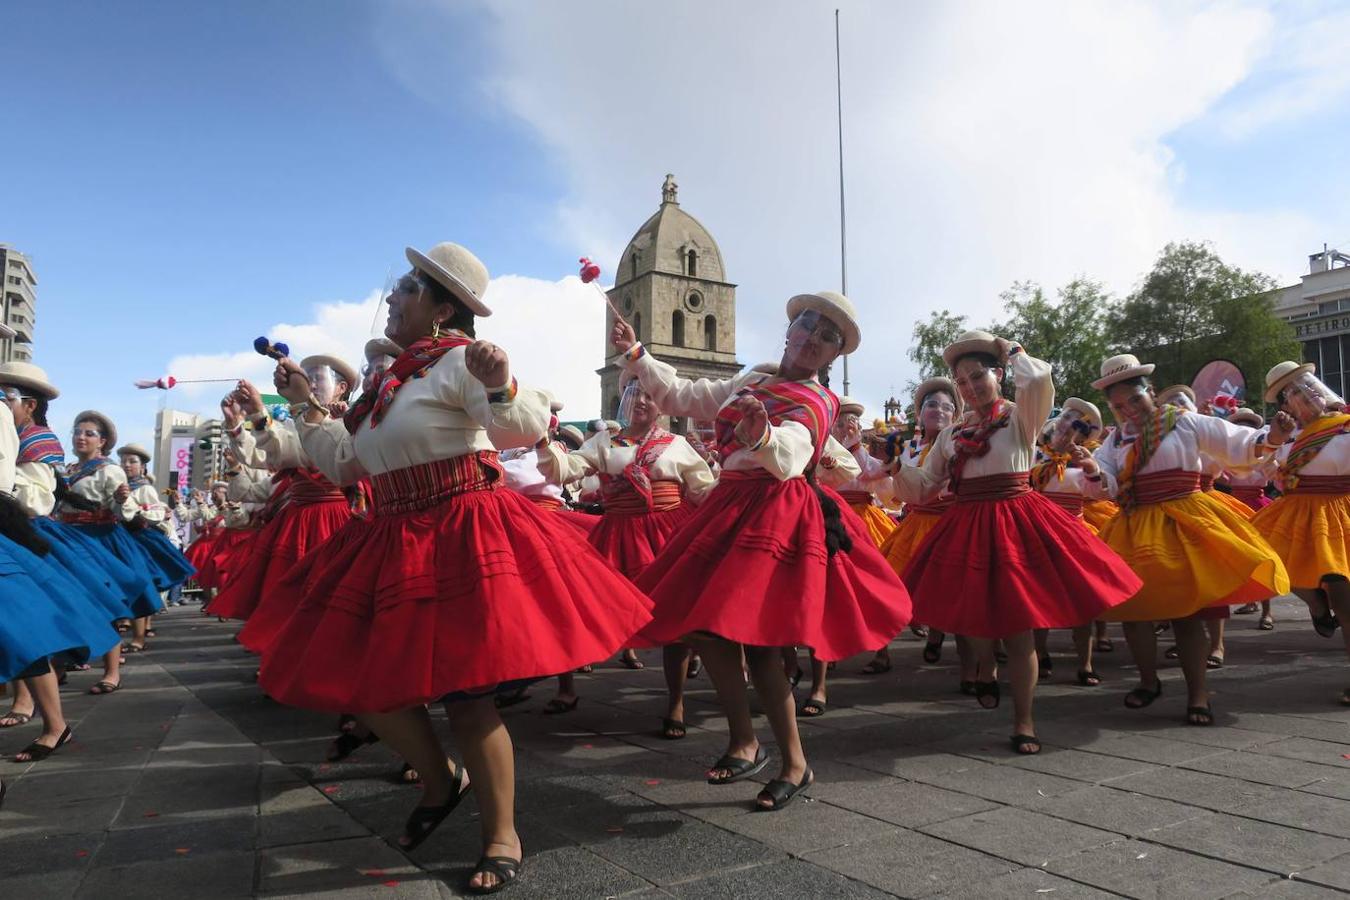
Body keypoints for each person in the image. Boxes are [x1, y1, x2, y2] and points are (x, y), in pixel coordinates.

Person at [258, 242, 652, 893]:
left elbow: (521, 428)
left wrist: (502, 383)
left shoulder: (457, 363)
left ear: (443, 308)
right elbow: (349, 465)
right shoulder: (391, 382)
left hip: (461, 529)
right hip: (390, 534)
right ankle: (442, 780)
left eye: (405, 290)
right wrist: (304, 406)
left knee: (468, 696)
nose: (390, 299)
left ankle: (502, 834)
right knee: (369, 686)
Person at [610, 289, 913, 808]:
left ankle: (794, 762)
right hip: (730, 504)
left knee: (761, 643)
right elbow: (686, 395)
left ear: (835, 355)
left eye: (828, 338)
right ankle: (745, 740)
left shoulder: (820, 401)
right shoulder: (753, 378)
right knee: (705, 627)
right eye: (810, 327)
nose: (814, 340)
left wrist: (760, 436)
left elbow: (791, 456)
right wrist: (639, 356)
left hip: (775, 510)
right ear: (790, 330)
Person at [895, 332, 1140, 754]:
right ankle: (985, 670)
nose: (970, 386)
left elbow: (1040, 381)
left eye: (978, 376)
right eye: (962, 381)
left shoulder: (1020, 416)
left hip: (1013, 519)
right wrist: (892, 465)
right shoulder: (951, 435)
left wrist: (1013, 349)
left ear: (999, 374)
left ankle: (1024, 720)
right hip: (967, 521)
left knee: (1019, 627)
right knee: (972, 617)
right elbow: (922, 489)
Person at [1091, 354, 1291, 725]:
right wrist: (1094, 473)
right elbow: (1104, 476)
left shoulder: (1184, 423)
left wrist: (1271, 437)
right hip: (1136, 524)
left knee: (1186, 613)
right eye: (1118, 406)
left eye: (1134, 400)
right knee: (1133, 612)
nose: (1128, 410)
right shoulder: (1115, 440)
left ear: (1150, 392)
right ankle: (1148, 682)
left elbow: (1235, 441)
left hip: (1184, 519)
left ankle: (1198, 695)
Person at [538, 376, 715, 731]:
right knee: (587, 605)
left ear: (662, 403)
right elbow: (568, 468)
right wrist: (543, 441)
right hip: (618, 533)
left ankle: (676, 704)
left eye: (650, 396)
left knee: (674, 618)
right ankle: (567, 686)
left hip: (666, 533)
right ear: (624, 399)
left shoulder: (676, 444)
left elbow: (702, 489)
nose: (642, 402)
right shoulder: (605, 442)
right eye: (635, 395)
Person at [214, 353, 360, 652]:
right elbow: (272, 456)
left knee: (337, 598)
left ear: (341, 388)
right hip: (300, 521)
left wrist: (257, 414)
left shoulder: (352, 420)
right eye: (306, 377)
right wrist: (240, 424)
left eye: (318, 378)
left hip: (340, 519)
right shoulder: (299, 424)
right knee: (290, 598)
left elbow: (289, 452)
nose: (310, 383)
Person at [1251, 361, 1350, 705]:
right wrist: (1273, 449)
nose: (1303, 395)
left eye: (1306, 386)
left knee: (1344, 592)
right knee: (1275, 564)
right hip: (1300, 509)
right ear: (1284, 404)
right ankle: (1317, 606)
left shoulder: (1345, 424)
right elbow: (1262, 472)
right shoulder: (1284, 435)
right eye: (1292, 392)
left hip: (1343, 508)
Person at [55, 410, 167, 695]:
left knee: (108, 605)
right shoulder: (66, 471)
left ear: (102, 442)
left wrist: (122, 500)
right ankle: (59, 667)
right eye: (77, 432)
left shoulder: (110, 470)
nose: (81, 437)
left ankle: (112, 672)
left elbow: (124, 513)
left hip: (100, 540)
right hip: (68, 539)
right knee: (63, 601)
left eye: (89, 433)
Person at [874, 378, 964, 678]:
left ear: (955, 415)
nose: (939, 410)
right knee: (887, 582)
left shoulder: (959, 443)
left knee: (952, 587)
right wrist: (890, 468)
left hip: (948, 523)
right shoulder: (908, 446)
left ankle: (970, 664)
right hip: (914, 521)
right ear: (921, 411)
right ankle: (881, 651)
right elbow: (892, 492)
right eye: (932, 405)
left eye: (947, 407)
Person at [1028, 398, 1110, 686]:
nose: (1068, 427)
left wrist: (1089, 467)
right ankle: (1040, 653)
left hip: (1074, 533)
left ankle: (1085, 663)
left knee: (1081, 601)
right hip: (1038, 533)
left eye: (1078, 424)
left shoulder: (1086, 459)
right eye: (1067, 419)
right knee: (1039, 598)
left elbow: (1099, 492)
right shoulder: (1034, 455)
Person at [117, 443, 196, 646]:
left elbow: (156, 514)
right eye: (124, 461)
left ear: (143, 467)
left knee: (139, 585)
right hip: (118, 538)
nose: (127, 465)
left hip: (137, 540)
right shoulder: (116, 485)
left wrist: (136, 512)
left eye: (132, 461)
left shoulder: (145, 488)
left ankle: (139, 637)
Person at [1225, 408, 1277, 629]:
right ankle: (1250, 600)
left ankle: (1267, 612)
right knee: (1237, 557)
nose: (1244, 428)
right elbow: (1220, 475)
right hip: (1235, 506)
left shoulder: (1265, 453)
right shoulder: (1227, 454)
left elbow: (1275, 475)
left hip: (1257, 506)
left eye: (1248, 425)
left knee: (1262, 557)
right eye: (1240, 425)